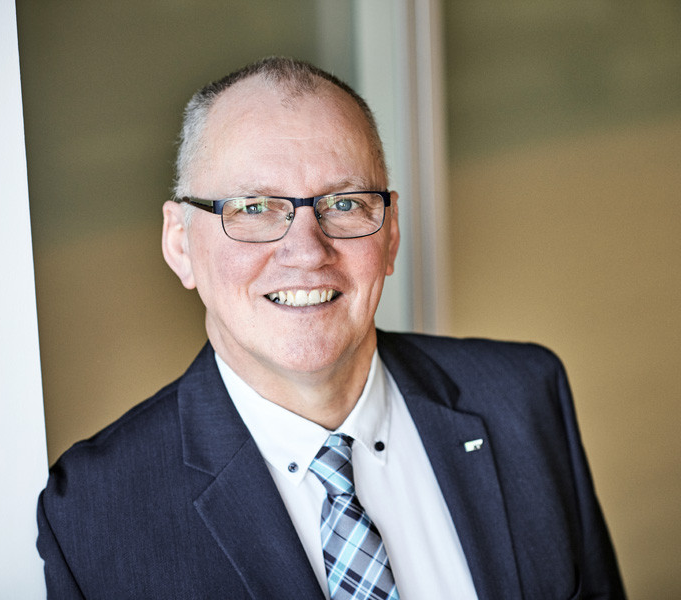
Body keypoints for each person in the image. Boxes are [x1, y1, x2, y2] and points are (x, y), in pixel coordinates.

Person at [37, 57, 625, 599]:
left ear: (390, 233)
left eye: (344, 204)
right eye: (253, 207)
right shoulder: (96, 513)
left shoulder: (522, 397)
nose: (306, 252)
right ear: (180, 244)